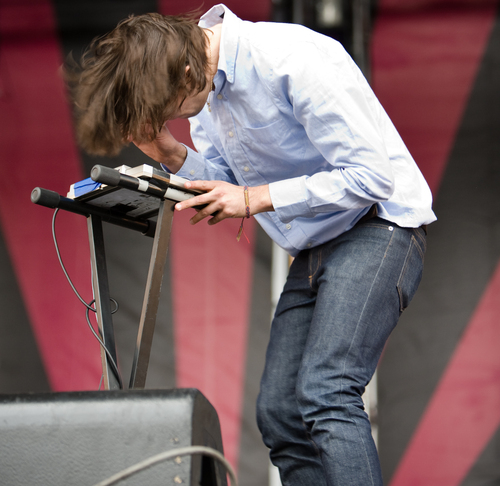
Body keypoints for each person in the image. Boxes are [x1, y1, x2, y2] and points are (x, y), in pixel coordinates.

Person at [73, 4, 436, 485]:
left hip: (379, 225)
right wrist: (171, 155)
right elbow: (227, 182)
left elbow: (371, 178)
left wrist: (252, 199)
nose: (171, 117)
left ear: (187, 72)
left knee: (327, 392)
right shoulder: (206, 92)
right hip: (317, 245)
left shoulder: (289, 57)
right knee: (281, 412)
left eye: (167, 108)